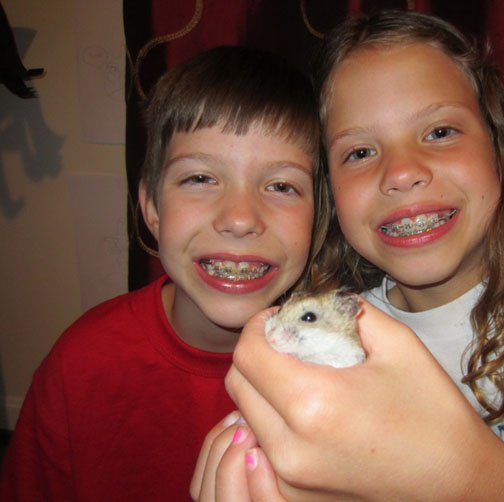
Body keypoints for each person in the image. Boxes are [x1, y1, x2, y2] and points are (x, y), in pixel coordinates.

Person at [190, 10, 504, 502]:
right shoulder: (325, 341)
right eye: (358, 152)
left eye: (440, 132)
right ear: (329, 192)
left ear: (499, 145)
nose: (402, 172)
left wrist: (462, 476)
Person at [0, 45, 325, 501]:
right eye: (200, 178)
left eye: (281, 186)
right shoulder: (80, 367)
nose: (239, 217)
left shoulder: (343, 374)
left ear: (317, 217)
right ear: (152, 207)